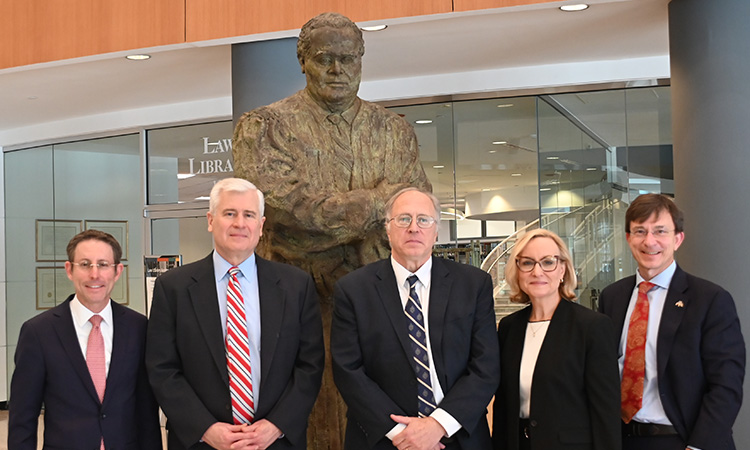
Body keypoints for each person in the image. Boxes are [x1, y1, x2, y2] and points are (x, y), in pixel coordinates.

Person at [232, 12, 431, 299]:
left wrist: (334, 220)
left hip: (382, 297)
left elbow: (416, 209)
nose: (337, 69)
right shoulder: (264, 127)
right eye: (325, 59)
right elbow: (287, 210)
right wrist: (377, 203)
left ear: (360, 61)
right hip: (298, 299)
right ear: (303, 62)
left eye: (348, 59)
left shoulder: (394, 131)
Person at [145, 178, 325, 450]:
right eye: (229, 213)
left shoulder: (295, 286)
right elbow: (162, 369)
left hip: (276, 441)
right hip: (202, 442)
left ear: (261, 226)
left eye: (249, 215)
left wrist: (276, 425)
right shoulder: (173, 288)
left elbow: (309, 365)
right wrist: (206, 429)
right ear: (210, 220)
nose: (240, 223)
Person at [331, 187, 499, 450]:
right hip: (385, 439)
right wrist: (403, 434)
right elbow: (348, 371)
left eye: (424, 220)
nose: (413, 228)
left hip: (458, 435)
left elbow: (486, 366)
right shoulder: (353, 290)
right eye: (403, 219)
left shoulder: (473, 285)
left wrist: (437, 426)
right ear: (387, 229)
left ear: (436, 231)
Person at [598, 193, 745, 450]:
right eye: (640, 231)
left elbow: (726, 386)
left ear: (678, 239)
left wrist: (698, 446)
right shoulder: (612, 297)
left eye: (660, 231)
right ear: (628, 238)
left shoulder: (710, 300)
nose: (649, 241)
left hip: (683, 441)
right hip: (623, 440)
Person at [8, 230, 161, 449]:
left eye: (103, 264)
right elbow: (22, 417)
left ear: (117, 271)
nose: (94, 274)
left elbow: (147, 411)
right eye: (85, 264)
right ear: (69, 270)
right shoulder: (38, 332)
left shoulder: (139, 328)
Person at [492, 228, 621, 450]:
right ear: (518, 270)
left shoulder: (591, 327)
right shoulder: (509, 328)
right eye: (527, 263)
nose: (537, 271)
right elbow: (503, 406)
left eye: (548, 262)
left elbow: (605, 412)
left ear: (562, 269)